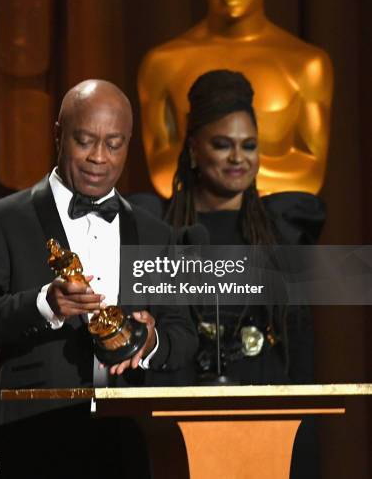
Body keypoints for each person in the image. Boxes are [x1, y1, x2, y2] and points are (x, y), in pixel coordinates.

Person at [0, 79, 198, 479]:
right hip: (29, 443)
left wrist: (150, 341)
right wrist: (43, 303)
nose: (98, 158)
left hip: (125, 443)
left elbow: (182, 335)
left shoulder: (156, 235)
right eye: (84, 141)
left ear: (128, 144)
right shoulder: (3, 219)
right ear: (58, 134)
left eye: (114, 144)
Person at [131, 69, 325, 478]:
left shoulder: (282, 231)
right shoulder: (155, 227)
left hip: (265, 420)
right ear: (193, 150)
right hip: (176, 419)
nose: (239, 158)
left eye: (249, 145)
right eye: (222, 145)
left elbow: (300, 355)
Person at [138, 0, 333, 199]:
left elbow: (312, 172)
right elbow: (161, 170)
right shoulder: (164, 63)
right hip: (197, 231)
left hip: (277, 231)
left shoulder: (306, 64)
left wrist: (219, 170)